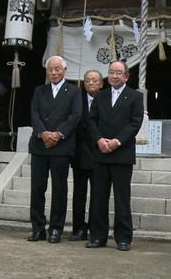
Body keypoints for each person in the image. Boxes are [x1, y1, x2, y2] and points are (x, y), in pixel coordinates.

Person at [86, 60, 144, 251]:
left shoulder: (135, 96)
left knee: (121, 198)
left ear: (126, 76)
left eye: (119, 72)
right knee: (98, 197)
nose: (114, 76)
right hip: (101, 153)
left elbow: (135, 123)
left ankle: (123, 238)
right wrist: (99, 140)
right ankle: (97, 236)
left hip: (122, 154)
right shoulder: (100, 96)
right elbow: (91, 121)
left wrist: (117, 141)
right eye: (111, 72)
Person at [27, 55, 81, 243]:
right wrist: (43, 133)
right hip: (40, 145)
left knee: (59, 188)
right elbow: (34, 114)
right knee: (37, 188)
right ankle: (37, 228)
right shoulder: (39, 91)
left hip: (61, 146)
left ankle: (56, 228)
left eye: (57, 69)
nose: (54, 72)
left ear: (64, 70)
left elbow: (75, 116)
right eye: (51, 69)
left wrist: (57, 134)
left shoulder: (74, 91)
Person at [69, 69, 104, 241]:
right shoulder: (77, 99)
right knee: (79, 194)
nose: (91, 83)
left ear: (101, 83)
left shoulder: (106, 100)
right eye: (87, 80)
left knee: (97, 194)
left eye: (95, 80)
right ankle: (78, 228)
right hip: (80, 153)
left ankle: (94, 228)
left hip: (100, 154)